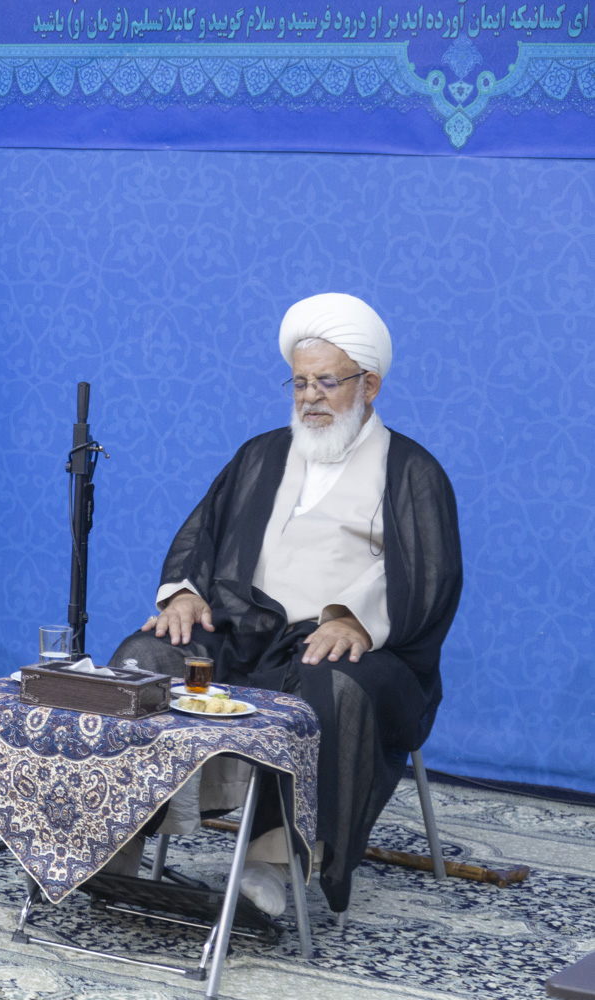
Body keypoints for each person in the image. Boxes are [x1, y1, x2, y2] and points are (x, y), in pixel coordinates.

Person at [107, 292, 462, 915]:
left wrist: (355, 620)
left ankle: (273, 858)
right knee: (146, 655)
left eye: (327, 382)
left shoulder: (410, 470)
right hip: (242, 632)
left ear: (369, 384)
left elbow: (430, 577)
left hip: (343, 645)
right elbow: (202, 536)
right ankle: (118, 838)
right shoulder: (261, 453)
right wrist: (185, 594)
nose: (310, 397)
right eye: (300, 383)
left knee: (334, 683)